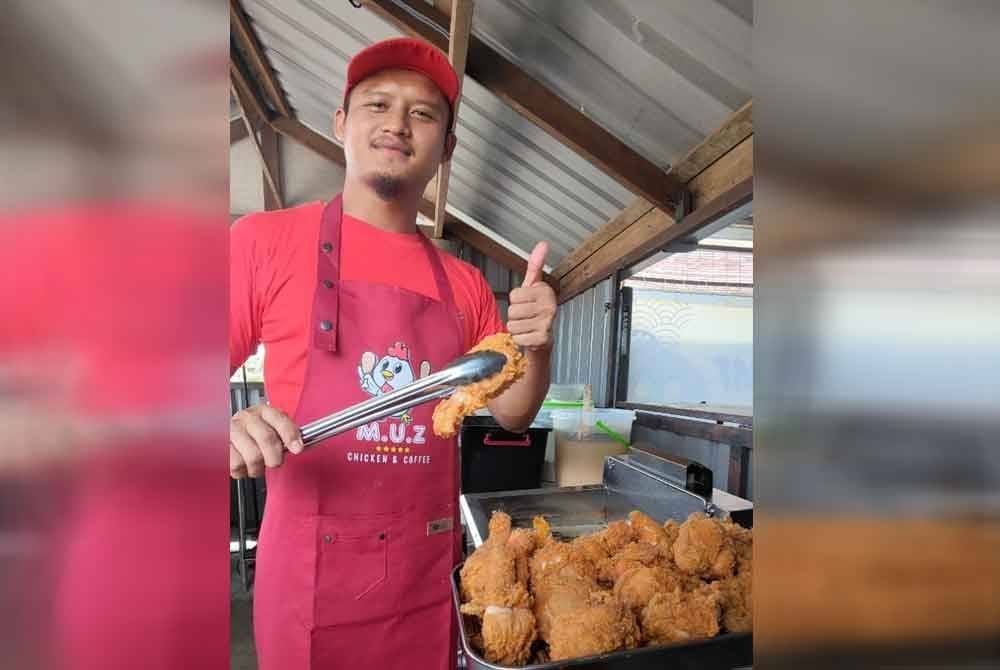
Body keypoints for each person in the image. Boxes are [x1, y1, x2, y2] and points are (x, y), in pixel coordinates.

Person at [229, 37, 558, 669]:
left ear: (447, 149)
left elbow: (514, 412)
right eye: (378, 103)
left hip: (426, 582)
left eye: (423, 113)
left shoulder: (461, 282)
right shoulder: (263, 243)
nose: (398, 124)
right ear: (341, 124)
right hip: (310, 589)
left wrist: (535, 346)